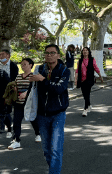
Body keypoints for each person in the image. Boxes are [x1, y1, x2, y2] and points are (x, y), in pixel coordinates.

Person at [30, 44, 71, 174]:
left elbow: (59, 89)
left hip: (58, 114)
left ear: (58, 55)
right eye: (47, 53)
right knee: (47, 149)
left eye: (52, 53)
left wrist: (43, 81)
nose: (49, 55)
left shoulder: (64, 71)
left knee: (55, 149)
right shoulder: (40, 69)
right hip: (41, 115)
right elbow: (34, 90)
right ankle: (53, 169)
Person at [8, 58, 40, 150]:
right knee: (16, 121)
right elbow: (16, 86)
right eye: (22, 65)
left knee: (33, 119)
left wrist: (26, 94)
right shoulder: (18, 76)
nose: (23, 66)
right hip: (18, 103)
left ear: (30, 65)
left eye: (25, 64)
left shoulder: (33, 76)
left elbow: (35, 89)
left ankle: (38, 133)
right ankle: (16, 140)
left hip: (29, 103)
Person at [75, 46, 104, 117]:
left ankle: (85, 109)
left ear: (88, 52)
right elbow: (77, 70)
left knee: (87, 93)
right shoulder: (80, 61)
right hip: (81, 80)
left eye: (86, 50)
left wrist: (100, 76)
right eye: (83, 50)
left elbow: (96, 68)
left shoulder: (92, 59)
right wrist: (75, 79)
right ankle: (89, 104)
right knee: (84, 94)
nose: (85, 51)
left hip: (89, 79)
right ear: (82, 52)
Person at [0, 49, 18, 135]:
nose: (1, 56)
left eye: (3, 55)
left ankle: (8, 125)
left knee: (7, 108)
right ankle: (2, 125)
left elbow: (15, 78)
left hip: (9, 89)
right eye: (0, 55)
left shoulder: (13, 66)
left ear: (8, 56)